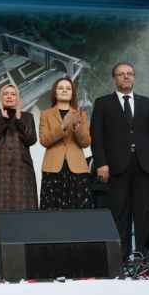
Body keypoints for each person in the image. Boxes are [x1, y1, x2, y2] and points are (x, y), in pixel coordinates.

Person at [90, 62, 149, 259]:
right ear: (114, 78)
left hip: (144, 166)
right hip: (115, 167)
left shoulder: (147, 103)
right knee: (119, 213)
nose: (126, 77)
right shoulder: (102, 103)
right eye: (121, 74)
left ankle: (143, 256)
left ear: (134, 77)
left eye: (129, 73)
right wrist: (101, 163)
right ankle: (121, 257)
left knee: (144, 213)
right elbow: (96, 136)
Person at [0, 84, 38, 222]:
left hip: (21, 170)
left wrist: (18, 120)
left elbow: (31, 139)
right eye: (5, 94)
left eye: (13, 94)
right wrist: (3, 120)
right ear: (0, 98)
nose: (9, 96)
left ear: (18, 98)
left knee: (22, 215)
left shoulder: (27, 117)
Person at [38, 77, 92, 210]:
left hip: (77, 167)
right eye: (60, 88)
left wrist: (77, 128)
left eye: (68, 88)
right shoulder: (46, 114)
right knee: (52, 210)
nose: (64, 90)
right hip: (52, 167)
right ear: (55, 92)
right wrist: (63, 126)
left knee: (78, 210)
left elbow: (86, 142)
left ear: (72, 93)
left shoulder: (81, 114)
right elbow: (44, 140)